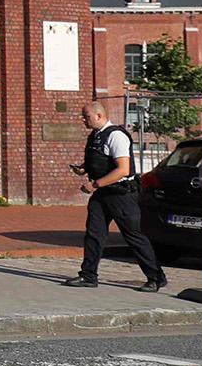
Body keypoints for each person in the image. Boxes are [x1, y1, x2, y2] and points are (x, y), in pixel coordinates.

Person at [69, 101, 166, 291]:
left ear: (99, 116)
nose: (83, 120)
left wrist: (94, 184)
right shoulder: (96, 135)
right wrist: (84, 168)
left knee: (133, 236)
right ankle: (88, 275)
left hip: (121, 194)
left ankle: (155, 277)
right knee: (93, 234)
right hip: (102, 194)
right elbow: (101, 159)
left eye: (86, 117)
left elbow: (122, 170)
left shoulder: (116, 135)